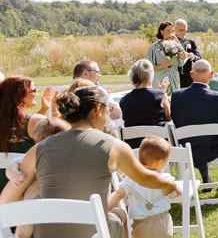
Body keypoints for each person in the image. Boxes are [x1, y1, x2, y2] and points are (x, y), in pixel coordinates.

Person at [0, 86, 180, 238]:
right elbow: (146, 179)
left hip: (46, 234)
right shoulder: (114, 146)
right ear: (97, 109)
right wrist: (169, 182)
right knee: (121, 213)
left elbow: (6, 199)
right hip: (94, 232)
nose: (109, 115)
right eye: (108, 110)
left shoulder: (39, 149)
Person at [5, 117, 71, 238]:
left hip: (50, 195)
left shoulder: (65, 158)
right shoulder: (32, 155)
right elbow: (13, 164)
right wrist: (14, 174)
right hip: (34, 193)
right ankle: (21, 235)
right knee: (28, 211)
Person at [109, 136, 175, 238]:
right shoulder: (164, 178)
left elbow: (118, 194)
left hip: (140, 224)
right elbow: (173, 192)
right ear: (159, 162)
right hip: (162, 222)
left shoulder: (131, 179)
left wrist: (105, 207)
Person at [0, 76, 51, 190]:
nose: (37, 94)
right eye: (33, 91)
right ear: (20, 95)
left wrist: (43, 110)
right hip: (23, 190)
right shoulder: (35, 121)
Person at [119, 59, 172, 148]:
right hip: (158, 146)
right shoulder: (160, 95)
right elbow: (169, 118)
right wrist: (162, 93)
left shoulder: (124, 100)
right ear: (150, 76)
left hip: (134, 147)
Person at [54, 60, 122, 120]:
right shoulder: (97, 91)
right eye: (97, 72)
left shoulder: (61, 92)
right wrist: (105, 99)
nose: (100, 75)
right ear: (86, 73)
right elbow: (117, 114)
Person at [147, 21, 187, 94]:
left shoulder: (175, 45)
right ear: (162, 31)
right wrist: (164, 65)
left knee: (174, 101)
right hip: (160, 79)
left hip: (174, 79)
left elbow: (183, 57)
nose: (170, 33)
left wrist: (177, 42)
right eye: (168, 31)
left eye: (172, 31)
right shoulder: (154, 47)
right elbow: (149, 68)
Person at [174, 19, 201, 89]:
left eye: (184, 30)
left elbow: (199, 59)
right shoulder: (170, 42)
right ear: (175, 29)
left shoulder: (191, 42)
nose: (182, 32)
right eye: (180, 30)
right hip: (174, 76)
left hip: (188, 78)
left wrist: (194, 57)